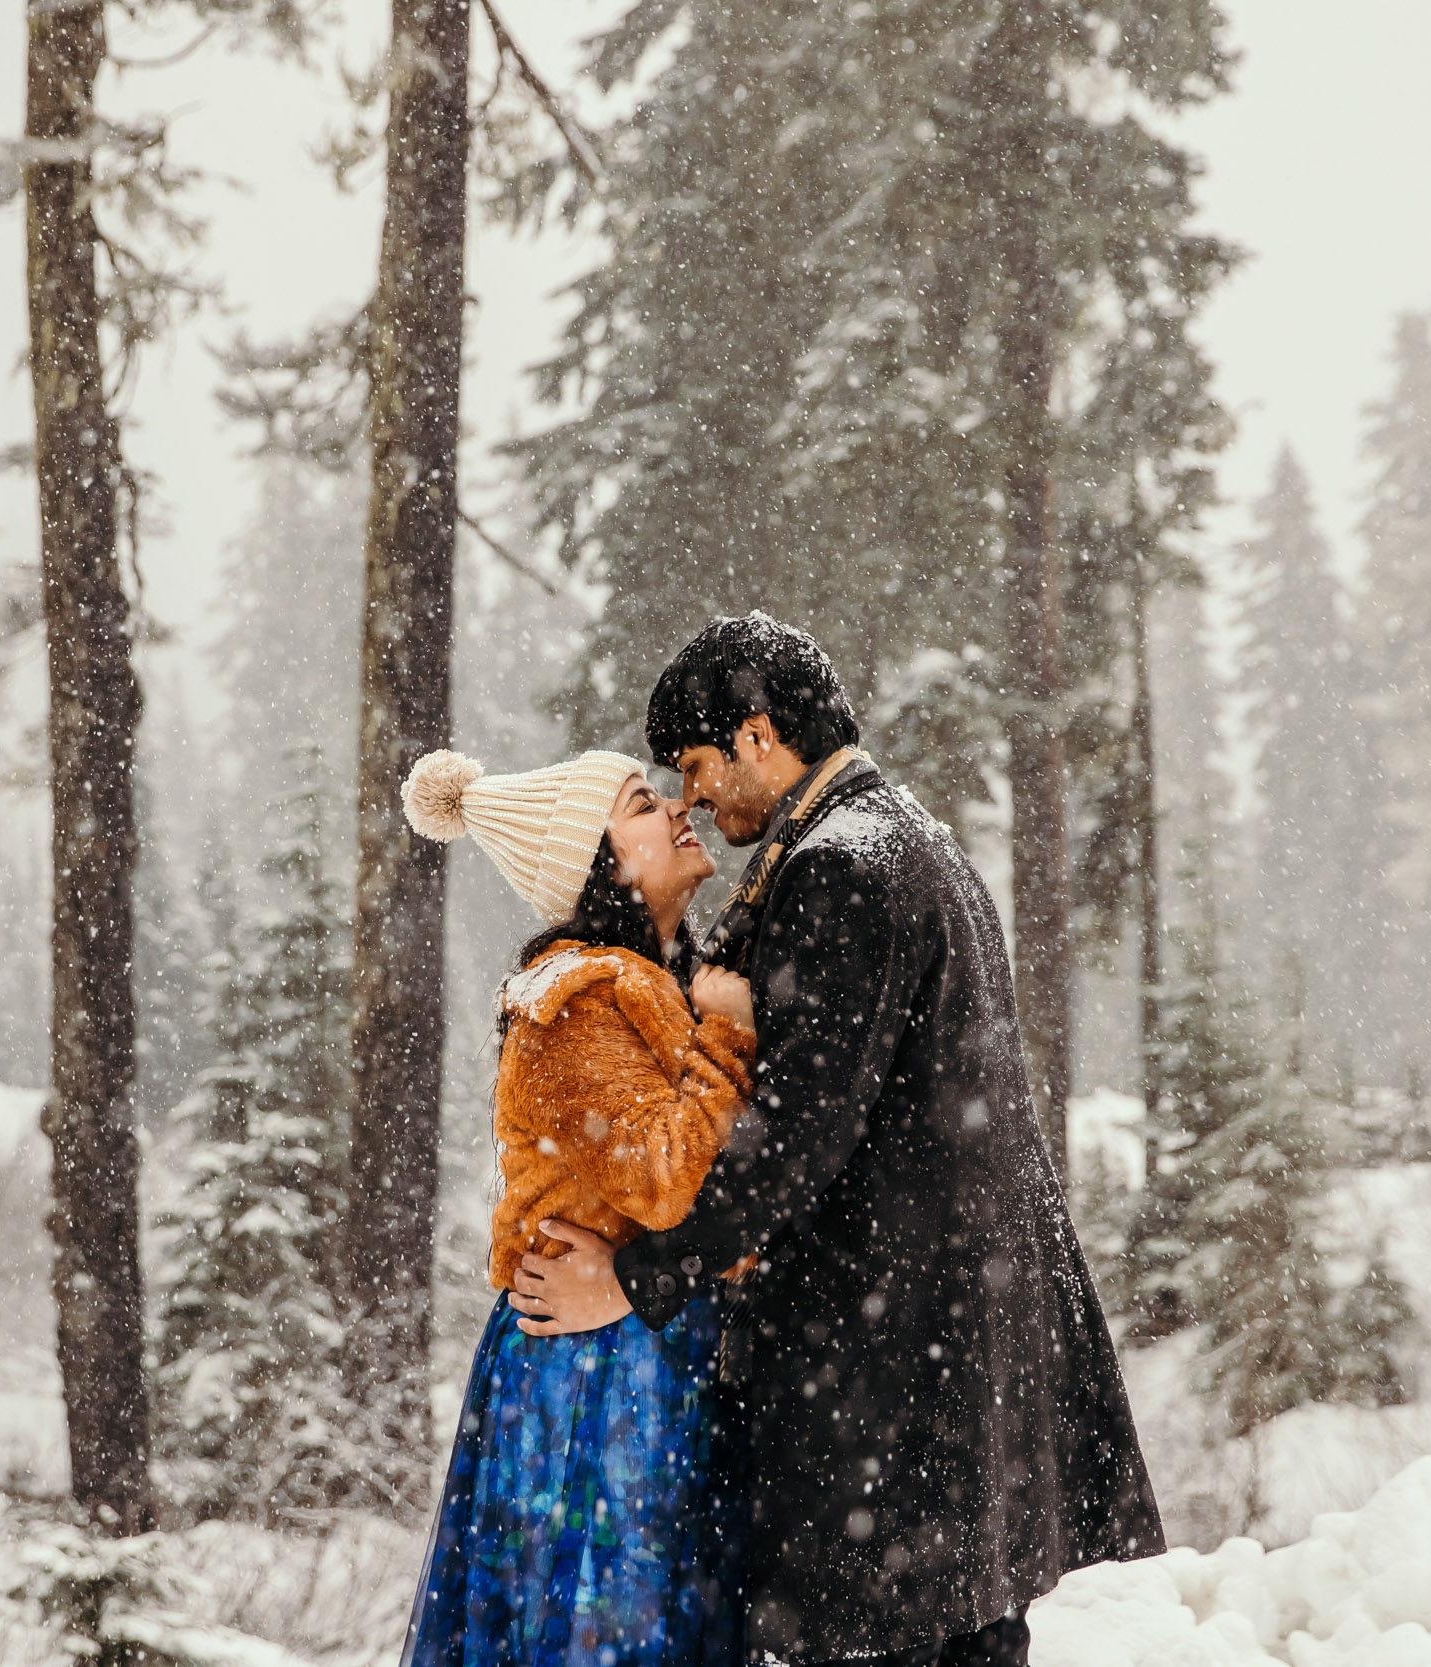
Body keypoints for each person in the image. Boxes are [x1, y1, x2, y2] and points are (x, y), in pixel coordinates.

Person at [509, 613, 1166, 1667]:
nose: (691, 799)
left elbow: (796, 1139)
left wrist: (638, 1275)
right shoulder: (910, 840)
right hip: (954, 1371)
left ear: (758, 736)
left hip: (893, 1390)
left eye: (695, 764)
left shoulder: (843, 867)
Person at [393, 745, 760, 1667]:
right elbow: (667, 1177)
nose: (678, 808)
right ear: (596, 866)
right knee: (605, 1626)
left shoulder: (643, 990)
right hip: (594, 1378)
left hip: (633, 1346)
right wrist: (729, 1037)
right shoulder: (577, 1003)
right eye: (642, 804)